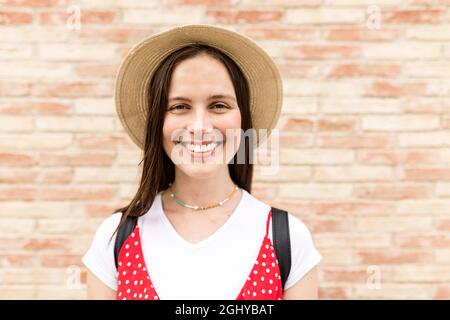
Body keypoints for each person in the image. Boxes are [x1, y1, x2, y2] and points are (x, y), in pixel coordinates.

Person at [82, 24, 322, 300]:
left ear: (243, 120)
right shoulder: (116, 236)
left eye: (219, 105)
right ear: (158, 124)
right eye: (179, 107)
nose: (199, 126)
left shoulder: (288, 238)